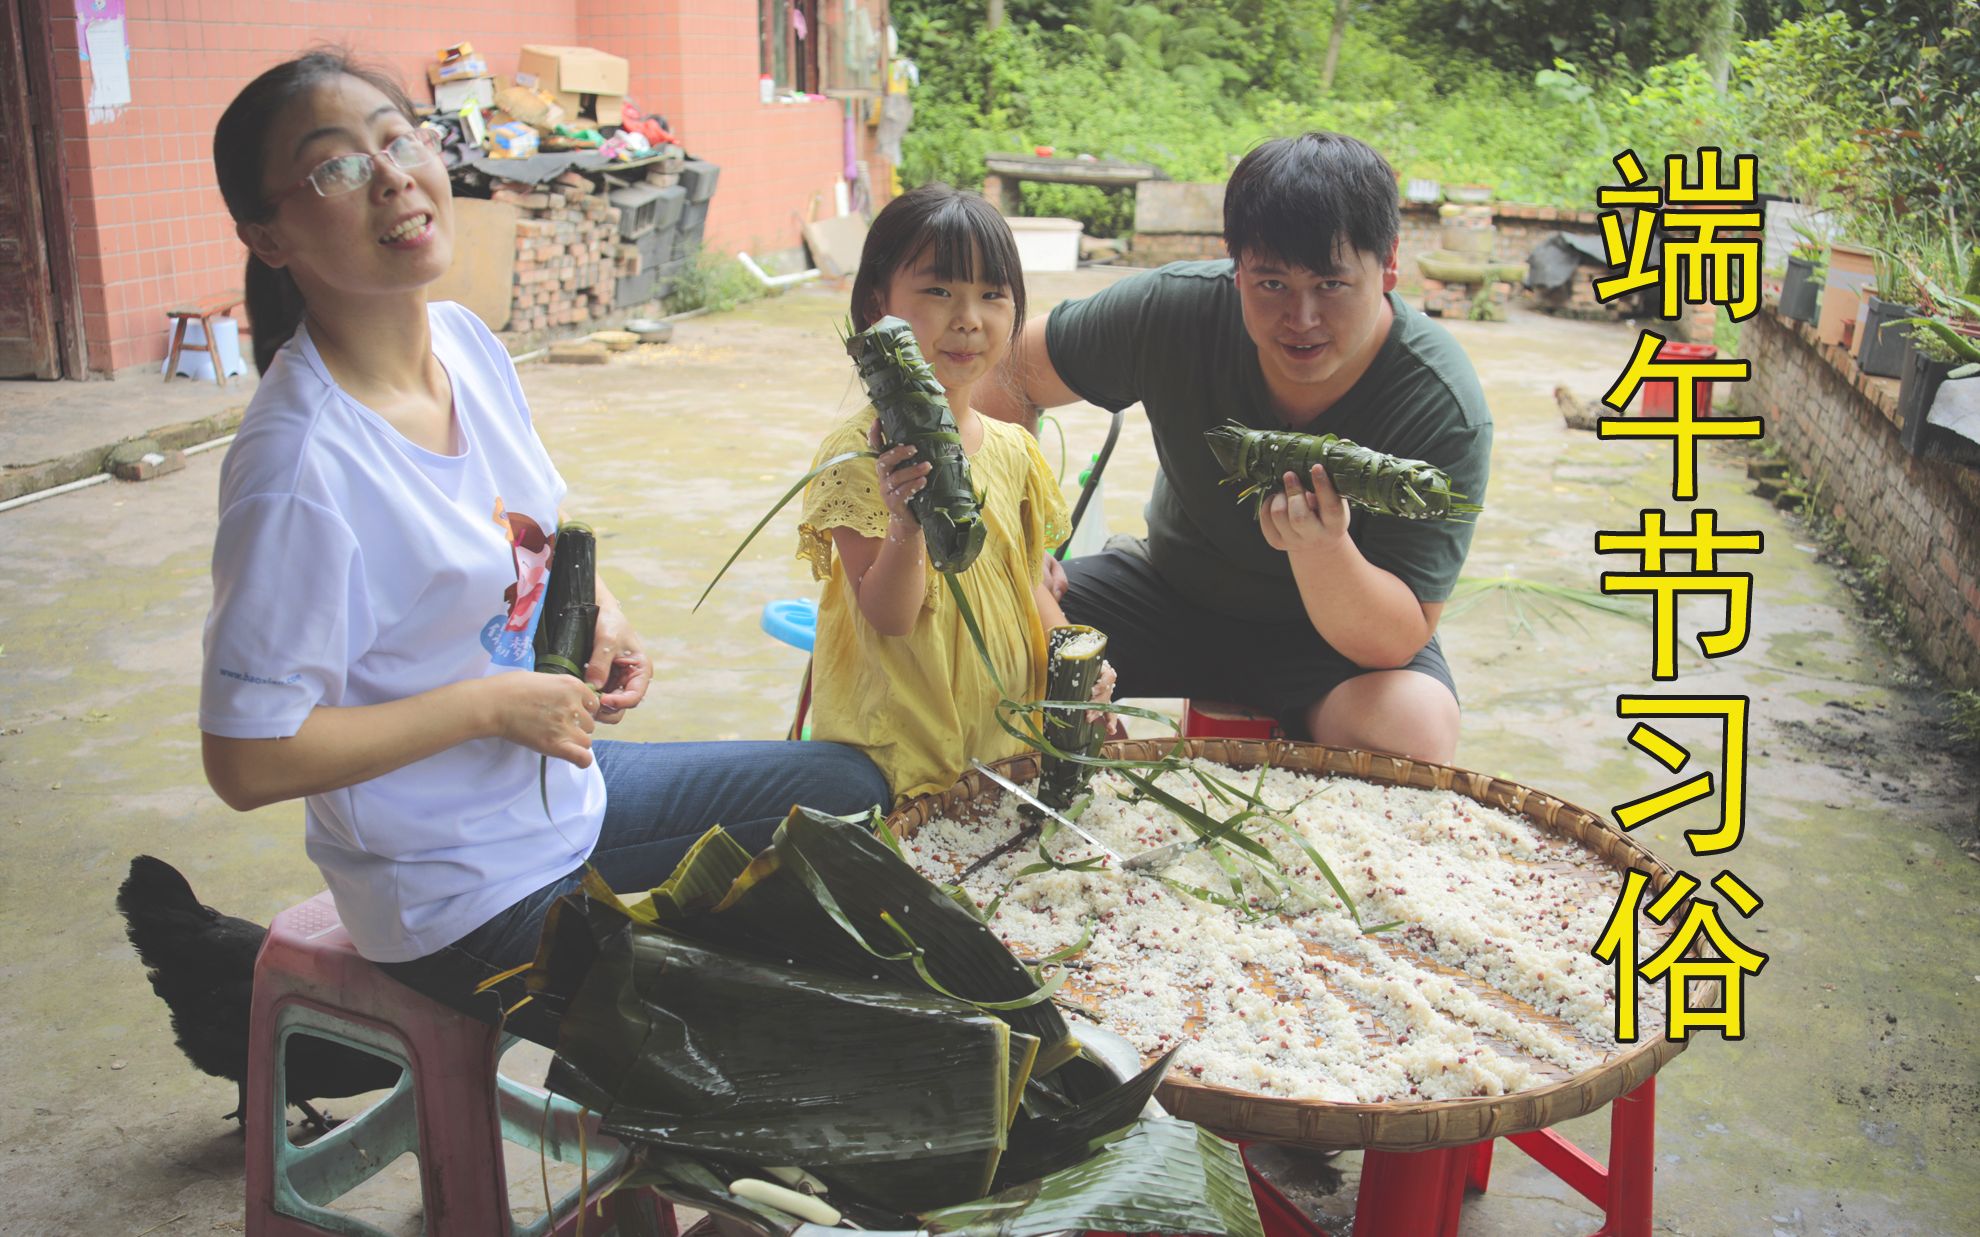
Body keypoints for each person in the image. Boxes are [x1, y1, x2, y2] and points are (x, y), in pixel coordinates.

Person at [196, 51, 888, 1045]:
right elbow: (246, 758)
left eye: (399, 139)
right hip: (454, 895)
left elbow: (542, 530)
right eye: (337, 167)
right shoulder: (300, 466)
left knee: (850, 797)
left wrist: (601, 609)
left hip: (570, 805)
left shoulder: (466, 345)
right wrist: (487, 705)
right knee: (767, 1042)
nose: (391, 175)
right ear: (269, 235)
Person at [979, 132, 1492, 765]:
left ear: (1387, 264)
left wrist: (1323, 550)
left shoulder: (1441, 404)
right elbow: (1002, 376)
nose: (1301, 319)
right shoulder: (1171, 310)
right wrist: (1025, 545)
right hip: (1166, 590)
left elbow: (1396, 637)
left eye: (1331, 285)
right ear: (1235, 262)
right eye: (1271, 283)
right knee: (979, 634)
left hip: (1323, 642)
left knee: (1415, 734)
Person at [797, 184, 1113, 802]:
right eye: (939, 292)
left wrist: (1076, 667)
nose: (968, 318)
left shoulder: (1014, 448)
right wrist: (906, 523)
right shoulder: (859, 457)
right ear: (875, 310)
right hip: (900, 749)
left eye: (992, 295)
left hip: (1003, 737)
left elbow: (1024, 581)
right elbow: (887, 616)